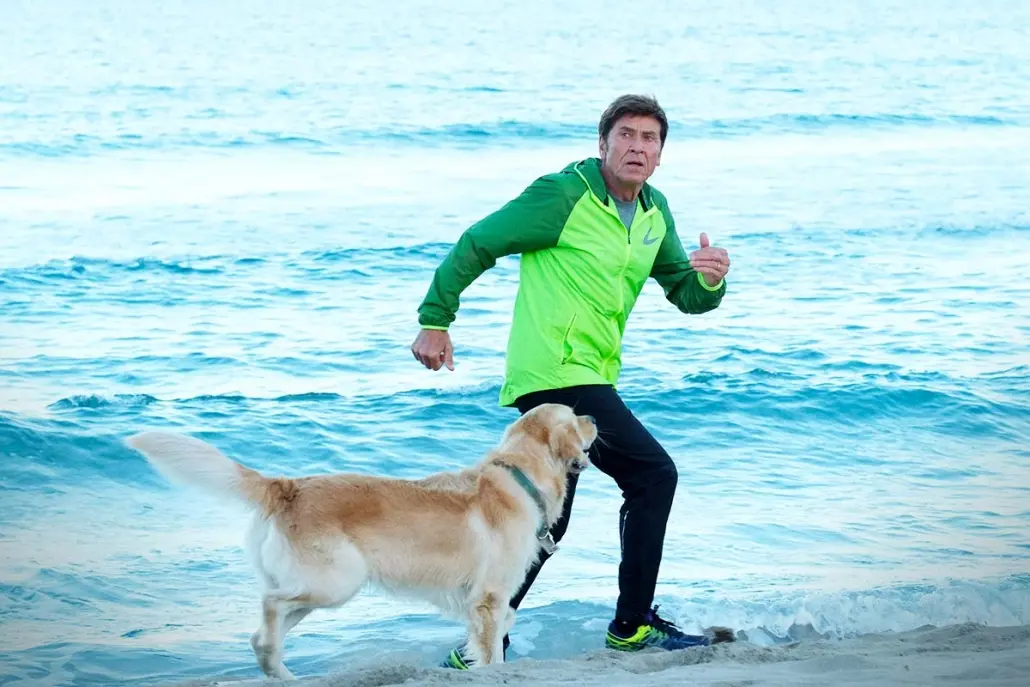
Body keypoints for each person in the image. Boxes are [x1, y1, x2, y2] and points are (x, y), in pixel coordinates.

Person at [410, 94, 732, 668]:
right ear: (603, 143)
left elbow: (684, 293)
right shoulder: (563, 195)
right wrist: (437, 319)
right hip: (556, 374)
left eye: (649, 138)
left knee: (544, 518)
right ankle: (632, 626)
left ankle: (483, 642)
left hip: (591, 375)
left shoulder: (654, 212)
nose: (637, 147)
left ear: (661, 154)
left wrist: (709, 280)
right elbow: (479, 241)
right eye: (626, 135)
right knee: (653, 475)